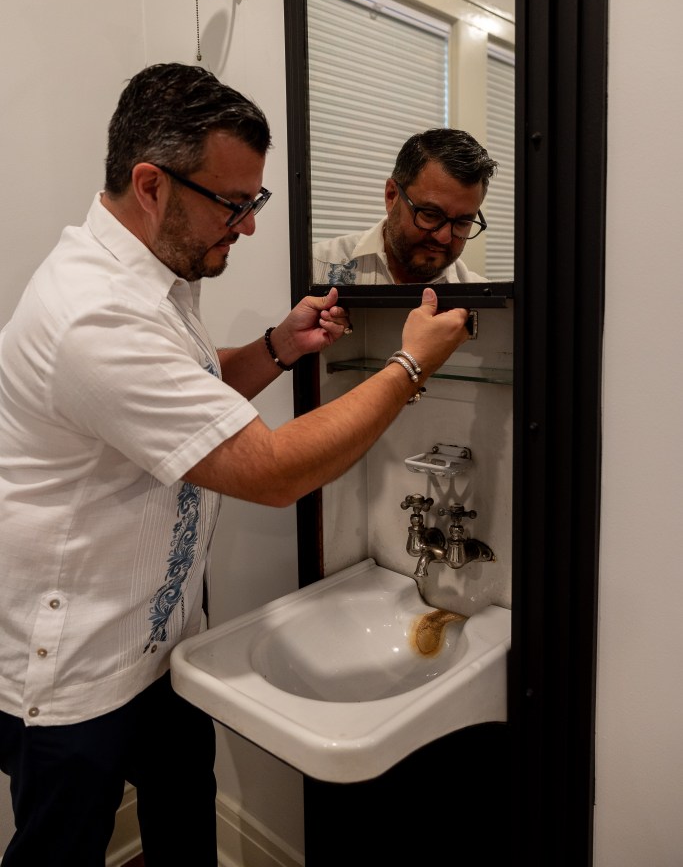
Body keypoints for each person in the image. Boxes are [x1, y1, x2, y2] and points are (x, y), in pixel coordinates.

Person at [0, 62, 474, 866]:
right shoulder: (95, 312)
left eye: (254, 202)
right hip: (73, 673)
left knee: (184, 821)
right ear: (150, 185)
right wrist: (408, 368)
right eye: (233, 203)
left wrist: (274, 349)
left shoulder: (151, 278)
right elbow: (271, 472)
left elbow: (183, 397)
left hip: (159, 639)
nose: (249, 226)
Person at [312, 127, 497, 286]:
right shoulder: (317, 267)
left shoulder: (486, 304)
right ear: (391, 195)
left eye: (462, 222)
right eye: (430, 214)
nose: (444, 237)